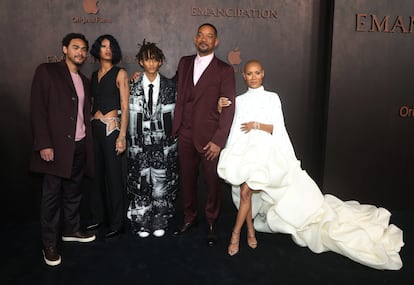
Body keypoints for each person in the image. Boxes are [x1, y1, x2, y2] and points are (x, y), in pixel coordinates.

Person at [217, 60, 404, 270]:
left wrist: (256, 125)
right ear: (243, 75)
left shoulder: (272, 98)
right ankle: (249, 231)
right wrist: (221, 112)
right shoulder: (239, 100)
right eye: (249, 73)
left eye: (257, 73)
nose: (253, 77)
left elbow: (276, 128)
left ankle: (235, 234)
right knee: (246, 193)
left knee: (246, 192)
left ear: (263, 74)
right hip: (246, 152)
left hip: (267, 153)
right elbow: (232, 124)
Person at [30, 32, 96, 266]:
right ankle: (49, 243)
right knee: (51, 198)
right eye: (75, 47)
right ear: (64, 49)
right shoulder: (47, 71)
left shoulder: (85, 81)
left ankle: (71, 230)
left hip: (79, 145)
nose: (80, 52)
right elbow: (38, 110)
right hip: (56, 148)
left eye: (84, 49)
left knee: (73, 193)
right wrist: (44, 144)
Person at [172, 23, 236, 247]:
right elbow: (173, 85)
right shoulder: (184, 62)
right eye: (201, 34)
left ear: (216, 42)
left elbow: (228, 108)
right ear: (195, 38)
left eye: (209, 36)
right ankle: (189, 217)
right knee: (187, 180)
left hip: (210, 138)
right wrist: (148, 75)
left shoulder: (225, 70)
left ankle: (211, 222)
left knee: (211, 184)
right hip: (185, 134)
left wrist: (219, 141)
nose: (204, 39)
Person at [126, 40, 179, 238]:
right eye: (146, 60)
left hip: (163, 145)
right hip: (138, 145)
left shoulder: (171, 86)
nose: (150, 64)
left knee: (161, 182)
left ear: (160, 62)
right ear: (140, 62)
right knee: (140, 182)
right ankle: (141, 221)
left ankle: (160, 219)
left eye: (154, 60)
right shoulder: (132, 86)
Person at [87, 34, 130, 238]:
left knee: (114, 178)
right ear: (98, 49)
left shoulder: (120, 73)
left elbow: (124, 106)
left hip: (111, 129)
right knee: (95, 177)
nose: (107, 49)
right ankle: (98, 218)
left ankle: (117, 223)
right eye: (103, 46)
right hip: (94, 129)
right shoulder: (93, 75)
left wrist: (122, 136)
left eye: (111, 46)